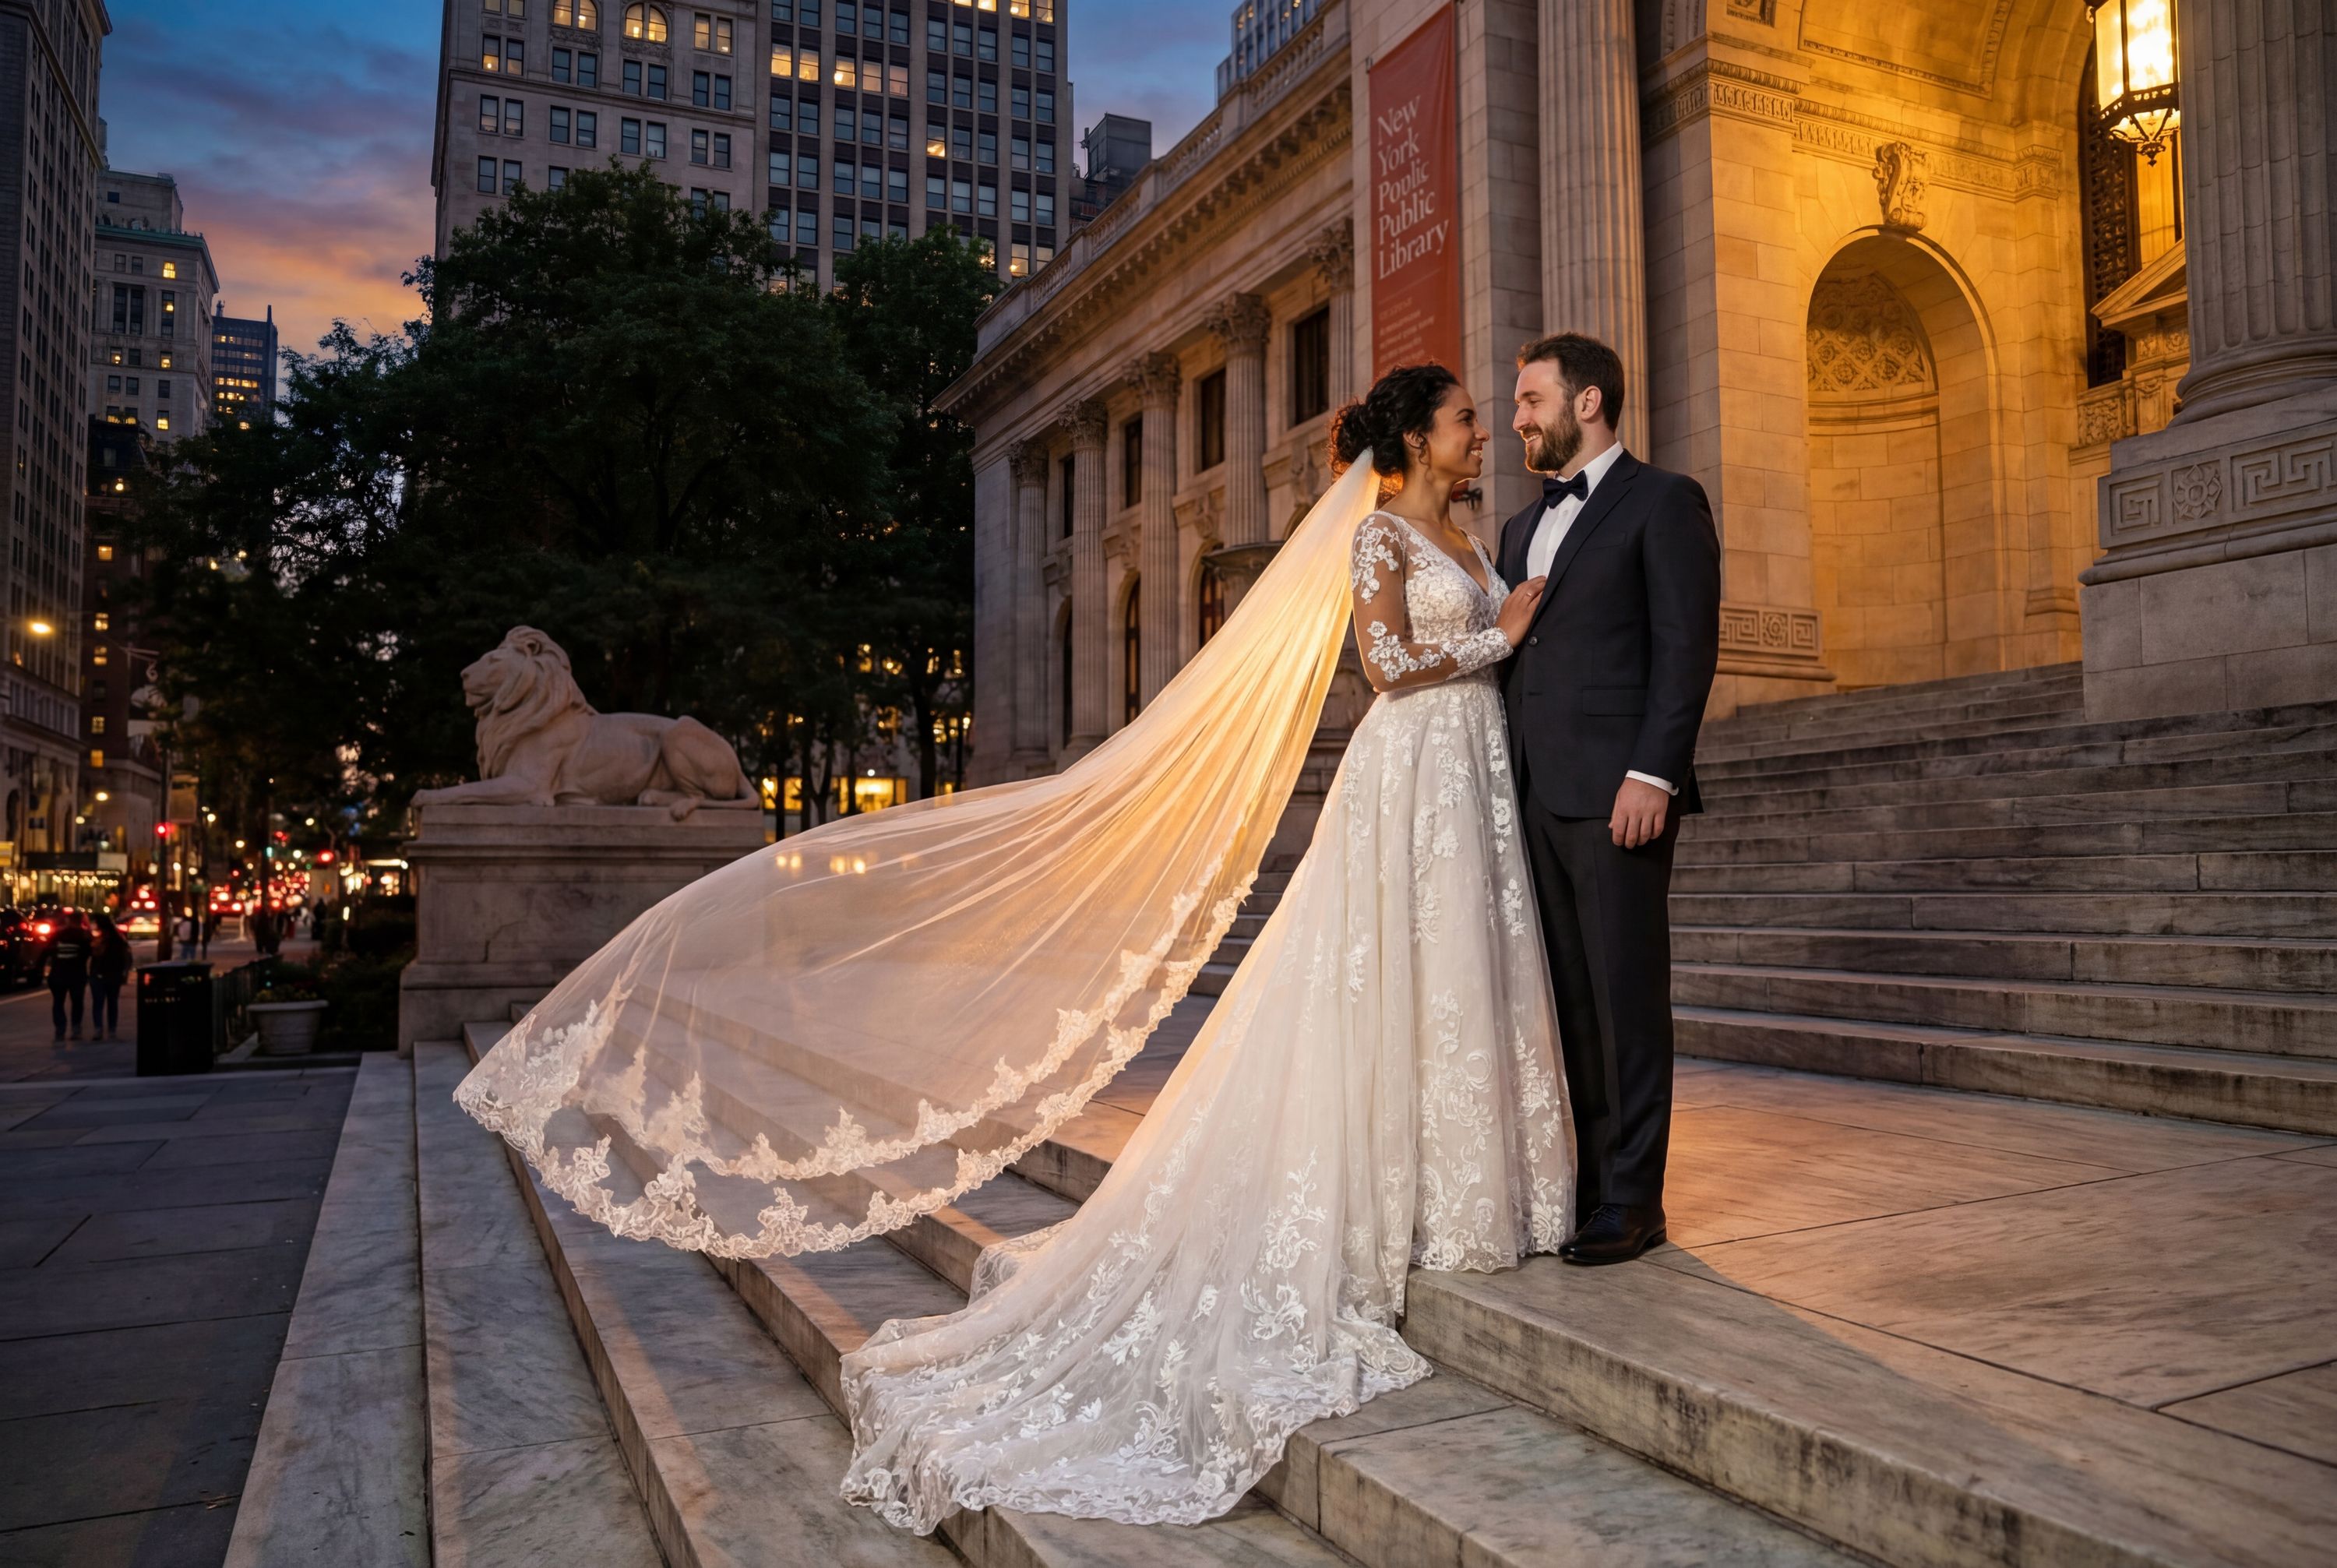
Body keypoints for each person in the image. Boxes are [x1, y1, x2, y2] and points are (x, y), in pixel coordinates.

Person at [456, 365, 1568, 1532]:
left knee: (1455, 980)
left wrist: (1503, 629)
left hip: (1474, 778)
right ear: (1411, 437)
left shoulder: (1474, 531)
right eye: (1461, 418)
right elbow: (1387, 667)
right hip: (1414, 772)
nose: (1479, 427)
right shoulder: (1379, 537)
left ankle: (1464, 1188)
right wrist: (1499, 632)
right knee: (1390, 982)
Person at [1498, 333, 1722, 1265]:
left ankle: (1636, 1201)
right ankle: (1588, 1191)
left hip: (1619, 792)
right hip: (1535, 794)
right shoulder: (1517, 530)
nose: (1517, 418)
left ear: (1587, 403)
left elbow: (1685, 648)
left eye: (1530, 400)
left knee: (1628, 998)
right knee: (1573, 1005)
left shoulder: (1664, 501)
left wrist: (1654, 774)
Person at [48, 911, 93, 1043]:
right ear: (81, 921)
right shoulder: (84, 935)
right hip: (77, 974)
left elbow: (49, 950)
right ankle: (76, 1029)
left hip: (58, 973)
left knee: (58, 1002)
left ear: (68, 920)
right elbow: (89, 953)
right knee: (77, 1002)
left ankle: (60, 1031)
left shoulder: (58, 934)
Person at [88, 913, 132, 1041]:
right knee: (112, 1003)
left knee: (98, 1003)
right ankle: (111, 1030)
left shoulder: (100, 939)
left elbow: (94, 954)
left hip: (100, 974)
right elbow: (126, 957)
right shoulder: (118, 938)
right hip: (114, 974)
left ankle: (99, 1029)